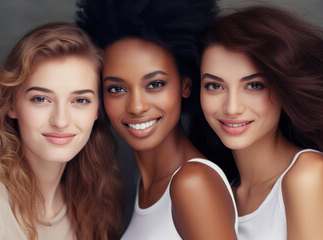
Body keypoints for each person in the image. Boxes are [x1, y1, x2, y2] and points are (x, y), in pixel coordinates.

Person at [76, 0, 238, 239]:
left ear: (185, 85)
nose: (137, 106)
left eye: (155, 84)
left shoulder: (193, 183)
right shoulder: (145, 180)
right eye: (117, 89)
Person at [0, 22, 123, 240]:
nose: (60, 121)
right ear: (11, 105)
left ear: (98, 109)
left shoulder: (90, 203)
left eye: (80, 100)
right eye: (41, 99)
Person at [200, 5, 323, 240]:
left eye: (254, 86)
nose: (232, 108)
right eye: (215, 86)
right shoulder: (223, 192)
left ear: (283, 89)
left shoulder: (308, 175)